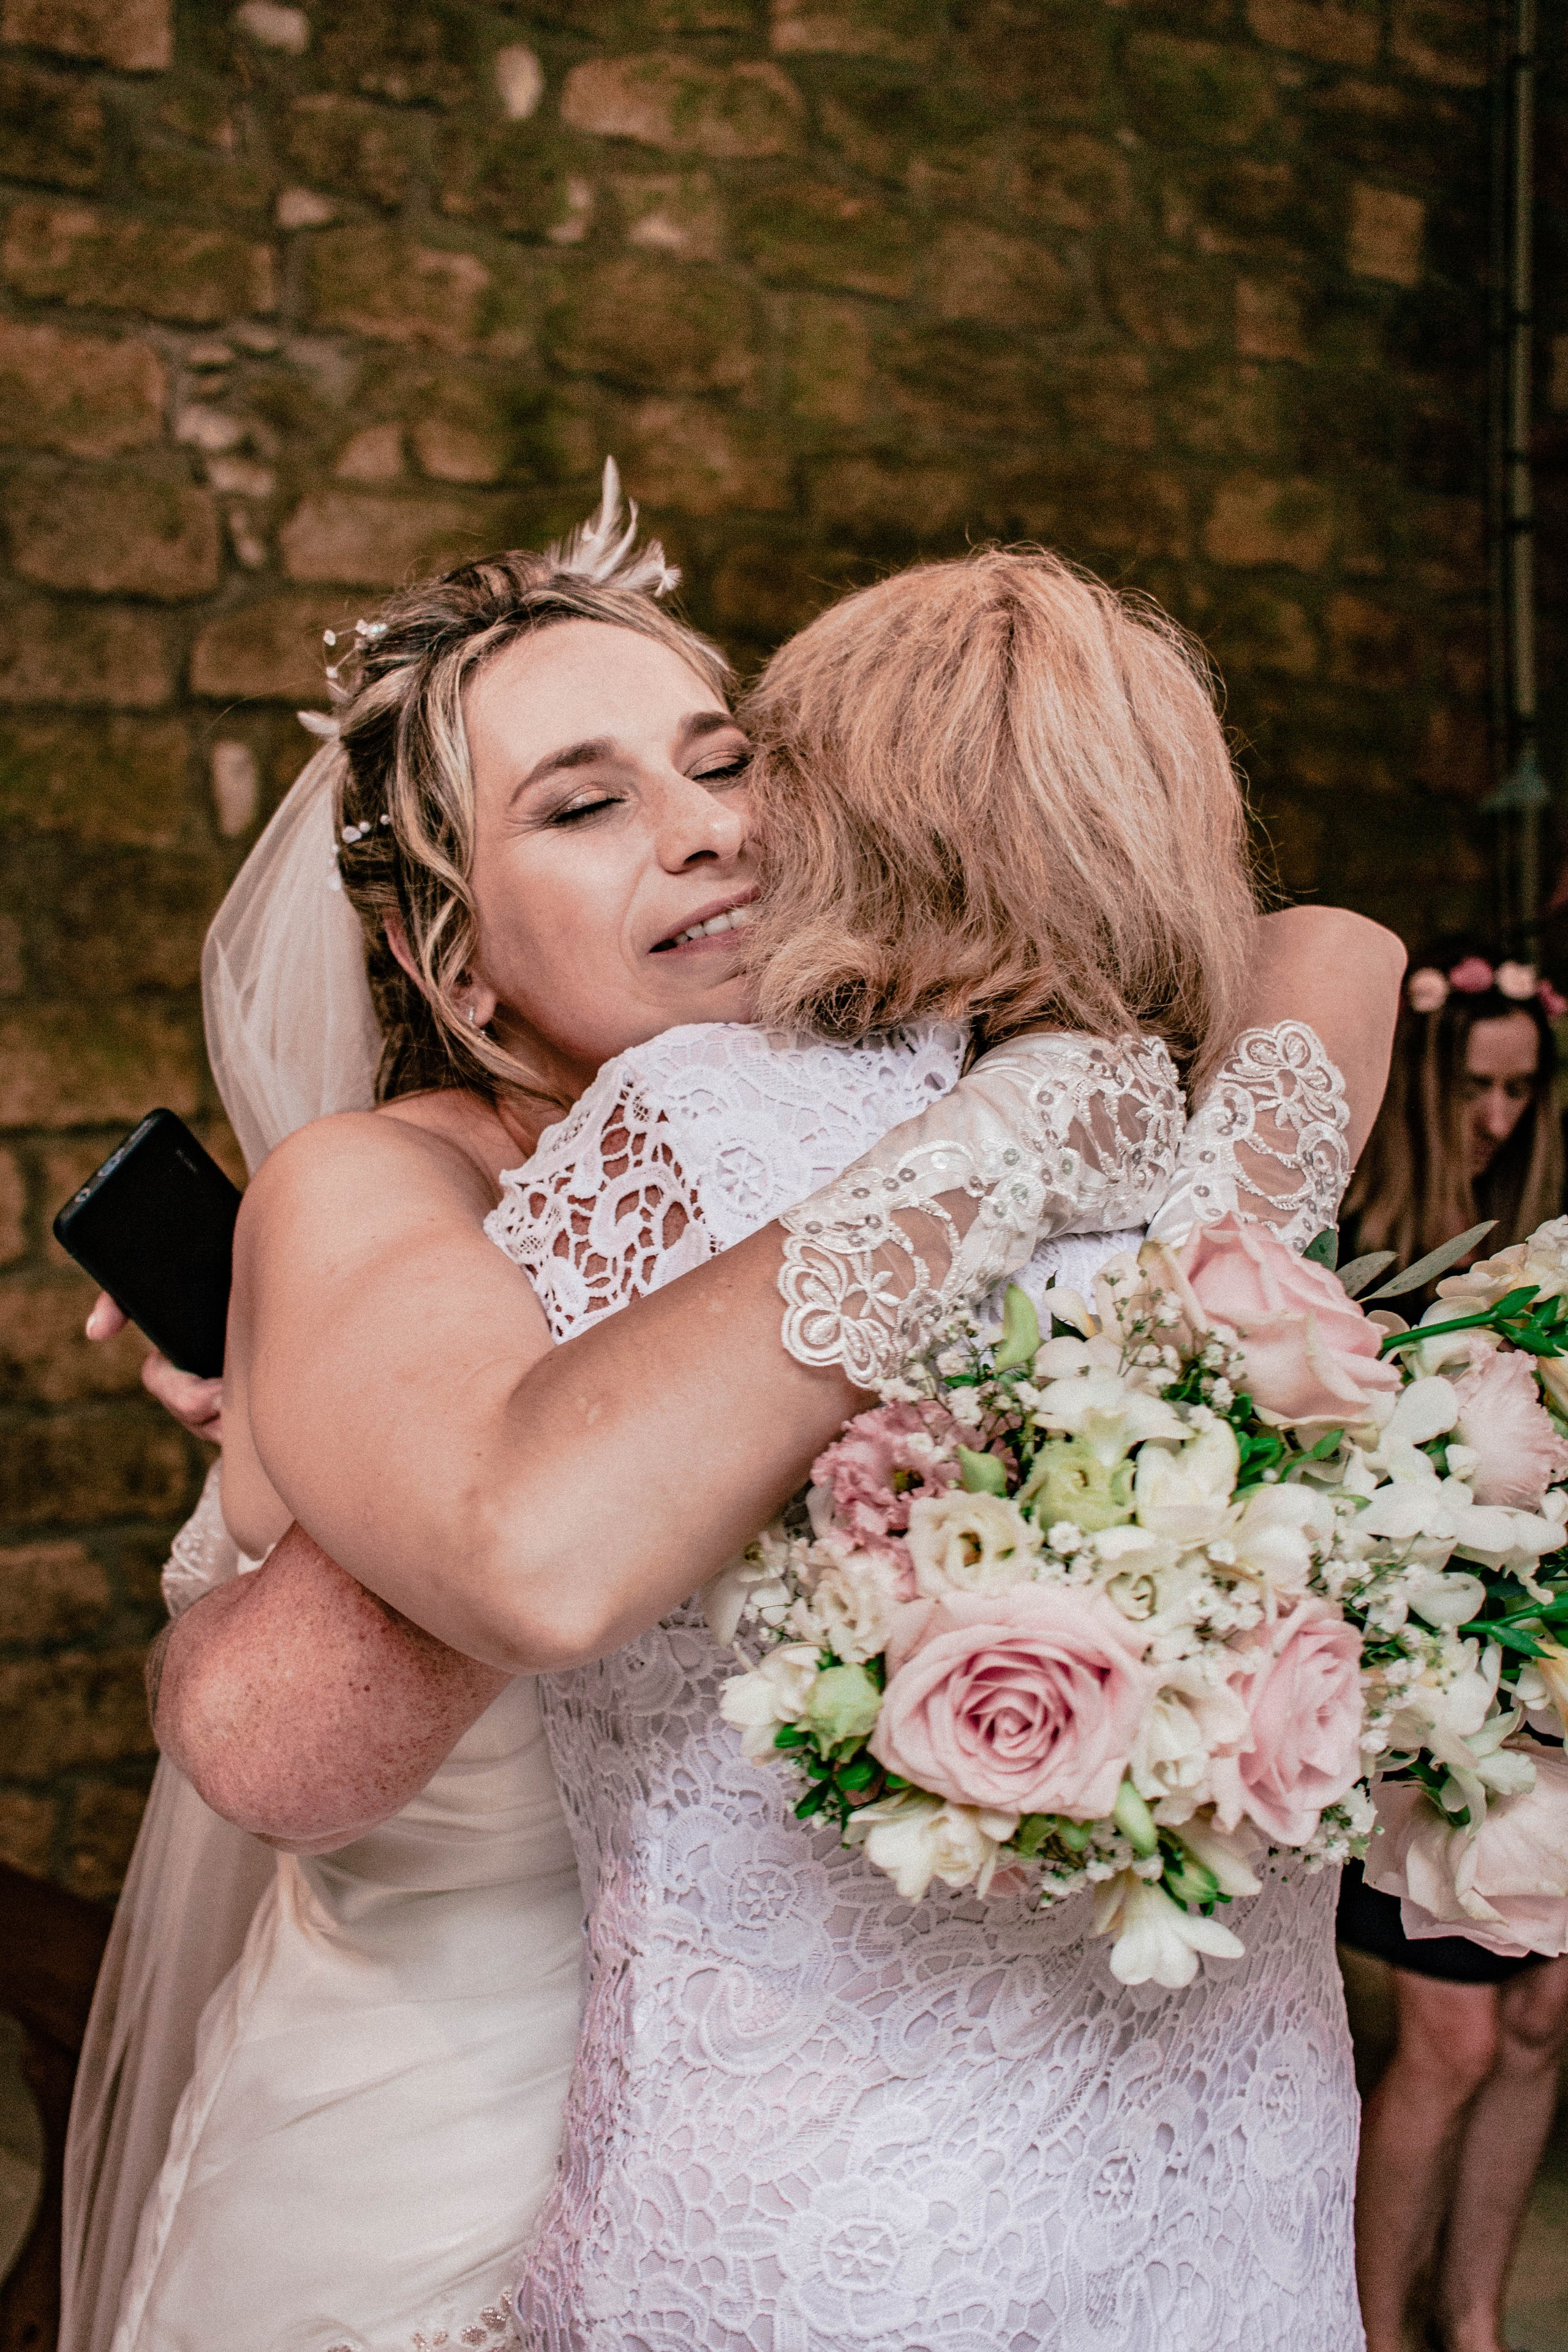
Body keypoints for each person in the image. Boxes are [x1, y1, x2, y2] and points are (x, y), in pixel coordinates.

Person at [73, 482, 1404, 2352]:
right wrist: (994, 1154)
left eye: (726, 765)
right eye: (586, 801)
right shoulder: (387, 1187)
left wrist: (1191, 1246)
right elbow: (499, 1571)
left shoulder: (873, 1075)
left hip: (935, 2128)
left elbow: (1319, 943)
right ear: (458, 967)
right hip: (475, 2138)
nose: (708, 836)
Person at [1335, 949, 1568, 2352]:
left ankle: (1470, 2315)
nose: (1495, 1115)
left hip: (1549, 1676)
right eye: (1474, 1088)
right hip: (1429, 1686)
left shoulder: (1552, 1233)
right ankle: (1367, 2327)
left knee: (1540, 2015)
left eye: (1519, 1090)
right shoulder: (1363, 1242)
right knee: (1451, 2035)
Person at [1342, 948, 1563, 1267]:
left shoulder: (1554, 1224)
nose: (1497, 1126)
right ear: (1411, 1087)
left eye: (1517, 1090)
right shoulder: (1339, 1237)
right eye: (1468, 1090)